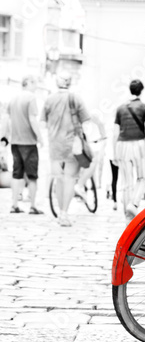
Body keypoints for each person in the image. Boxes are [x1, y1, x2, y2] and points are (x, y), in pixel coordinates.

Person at [41, 71, 91, 227]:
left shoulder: (49, 99)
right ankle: (63, 213)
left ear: (57, 83)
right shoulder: (75, 98)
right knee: (70, 179)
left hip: (55, 145)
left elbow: (43, 122)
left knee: (58, 179)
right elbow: (86, 120)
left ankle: (59, 213)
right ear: (70, 83)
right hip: (73, 145)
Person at [113, 79, 145, 222]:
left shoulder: (120, 109)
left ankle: (127, 215)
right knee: (143, 177)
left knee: (126, 181)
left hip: (122, 146)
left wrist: (114, 152)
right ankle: (134, 203)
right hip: (140, 146)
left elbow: (115, 132)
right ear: (141, 91)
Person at [7, 74, 44, 214]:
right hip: (28, 142)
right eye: (34, 83)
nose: (36, 86)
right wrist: (40, 138)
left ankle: (14, 204)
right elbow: (32, 119)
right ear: (28, 83)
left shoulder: (13, 99)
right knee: (32, 175)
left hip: (15, 141)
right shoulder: (31, 98)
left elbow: (8, 120)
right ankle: (33, 206)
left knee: (17, 173)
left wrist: (8, 136)